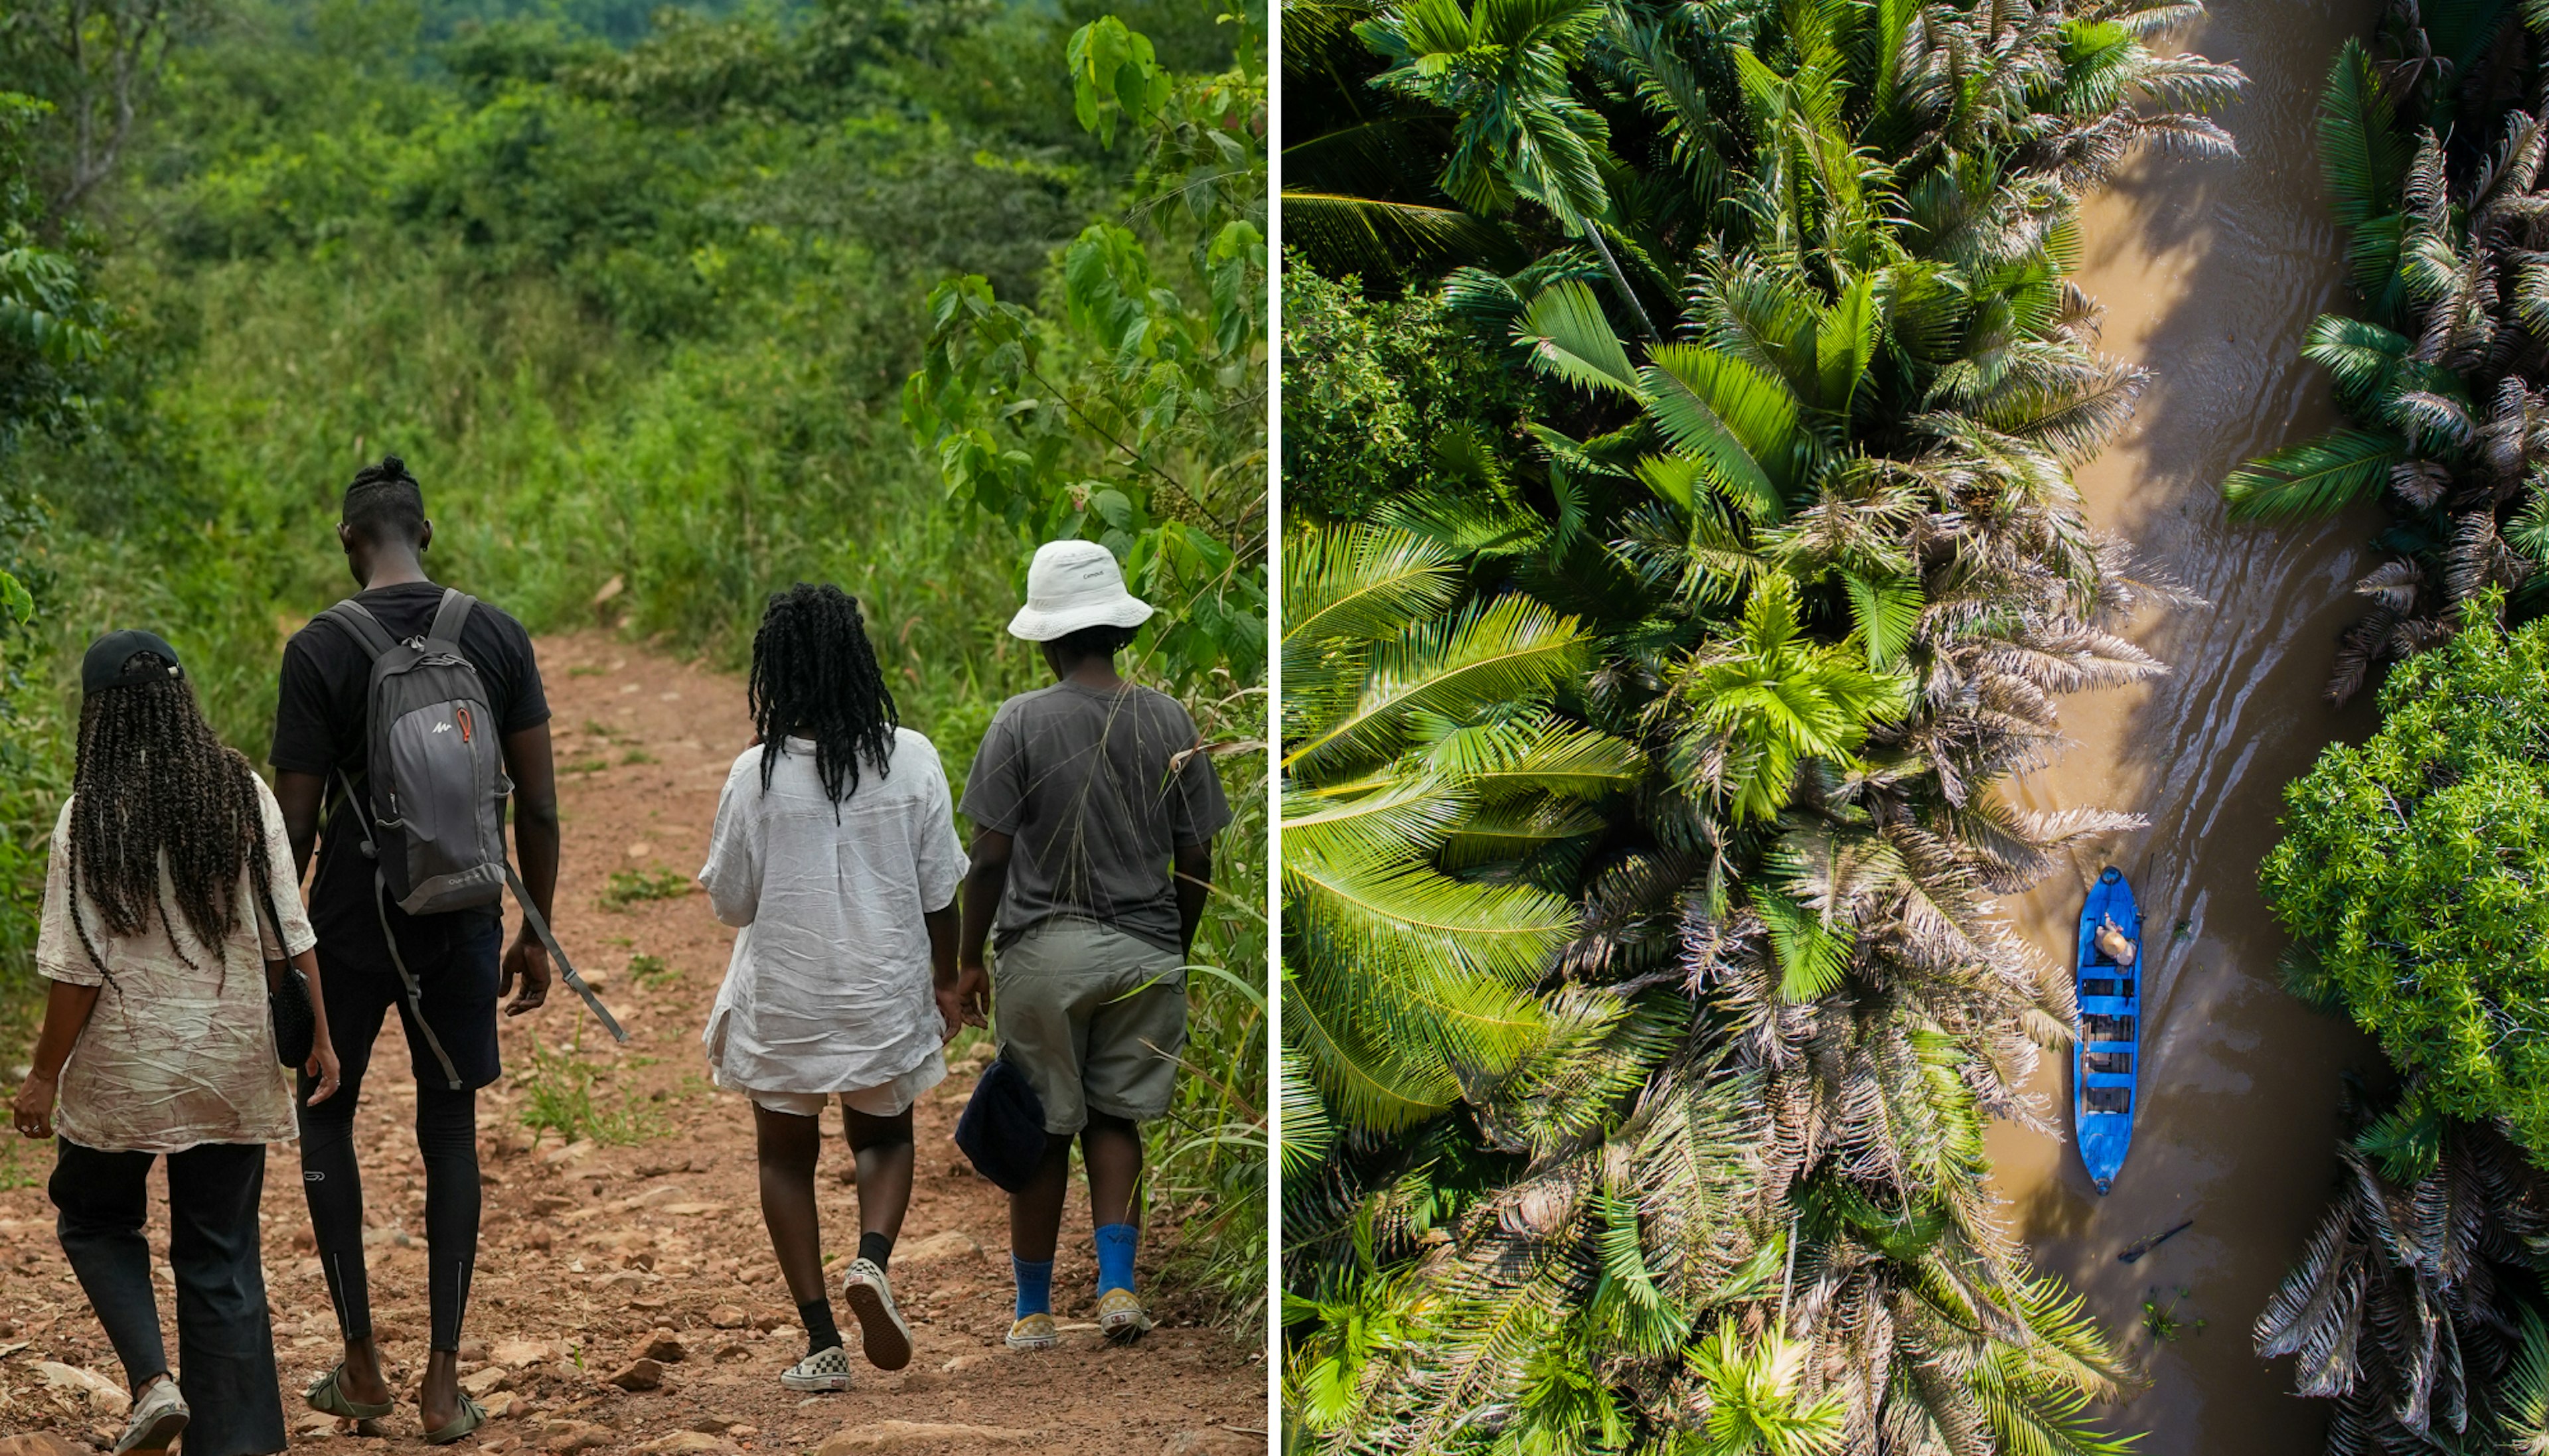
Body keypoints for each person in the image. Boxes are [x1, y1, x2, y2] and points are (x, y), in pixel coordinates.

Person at [269, 456, 558, 1442]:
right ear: (424, 532)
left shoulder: (317, 649)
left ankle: (360, 1361)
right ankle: (443, 1385)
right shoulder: (498, 634)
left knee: (325, 1113)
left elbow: (294, 825)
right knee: (450, 1133)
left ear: (349, 542)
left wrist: (283, 953)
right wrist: (535, 934)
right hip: (465, 913)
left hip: (350, 920)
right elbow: (541, 807)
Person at [9, 630, 343, 1456]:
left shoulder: (88, 815)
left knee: (93, 1218)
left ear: (98, 716)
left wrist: (42, 1077)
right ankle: (239, 1441)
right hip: (231, 1062)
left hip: (127, 1069)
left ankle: (155, 1381)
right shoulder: (240, 790)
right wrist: (323, 1041)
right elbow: (287, 933)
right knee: (222, 1248)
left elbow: (75, 969)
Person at [954, 540, 1232, 1351]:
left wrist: (970, 960)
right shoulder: (1169, 717)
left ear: (1045, 639)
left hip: (1043, 957)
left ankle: (1034, 1310)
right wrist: (1174, 941)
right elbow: (1199, 855)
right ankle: (1117, 1289)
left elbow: (990, 856)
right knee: (1115, 1122)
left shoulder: (1020, 721)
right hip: (1146, 951)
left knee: (1041, 1129)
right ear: (1118, 629)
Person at [698, 583, 971, 1392]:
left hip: (786, 997)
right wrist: (945, 981)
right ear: (860, 660)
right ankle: (873, 1260)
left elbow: (732, 902)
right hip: (881, 994)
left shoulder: (757, 775)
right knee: (884, 1139)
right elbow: (941, 895)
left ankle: (821, 1340)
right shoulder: (913, 758)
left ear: (775, 672)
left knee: (784, 1160)